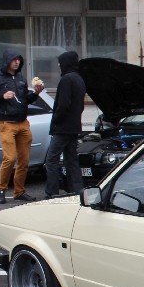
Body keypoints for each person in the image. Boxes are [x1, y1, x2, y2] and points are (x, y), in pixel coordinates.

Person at [0, 49, 45, 204]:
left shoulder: (20, 78)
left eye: (19, 60)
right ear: (7, 61)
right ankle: (0, 188)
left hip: (22, 122)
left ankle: (19, 191)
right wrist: (2, 96)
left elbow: (25, 99)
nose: (17, 62)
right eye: (14, 59)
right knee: (10, 158)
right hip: (6, 123)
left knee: (24, 160)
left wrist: (36, 93)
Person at [43, 51, 86, 199]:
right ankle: (77, 190)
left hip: (62, 128)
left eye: (60, 63)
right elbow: (80, 105)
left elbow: (63, 105)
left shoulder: (67, 79)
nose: (59, 65)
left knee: (51, 159)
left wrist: (56, 120)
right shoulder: (79, 79)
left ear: (66, 63)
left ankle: (52, 191)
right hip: (74, 126)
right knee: (71, 159)